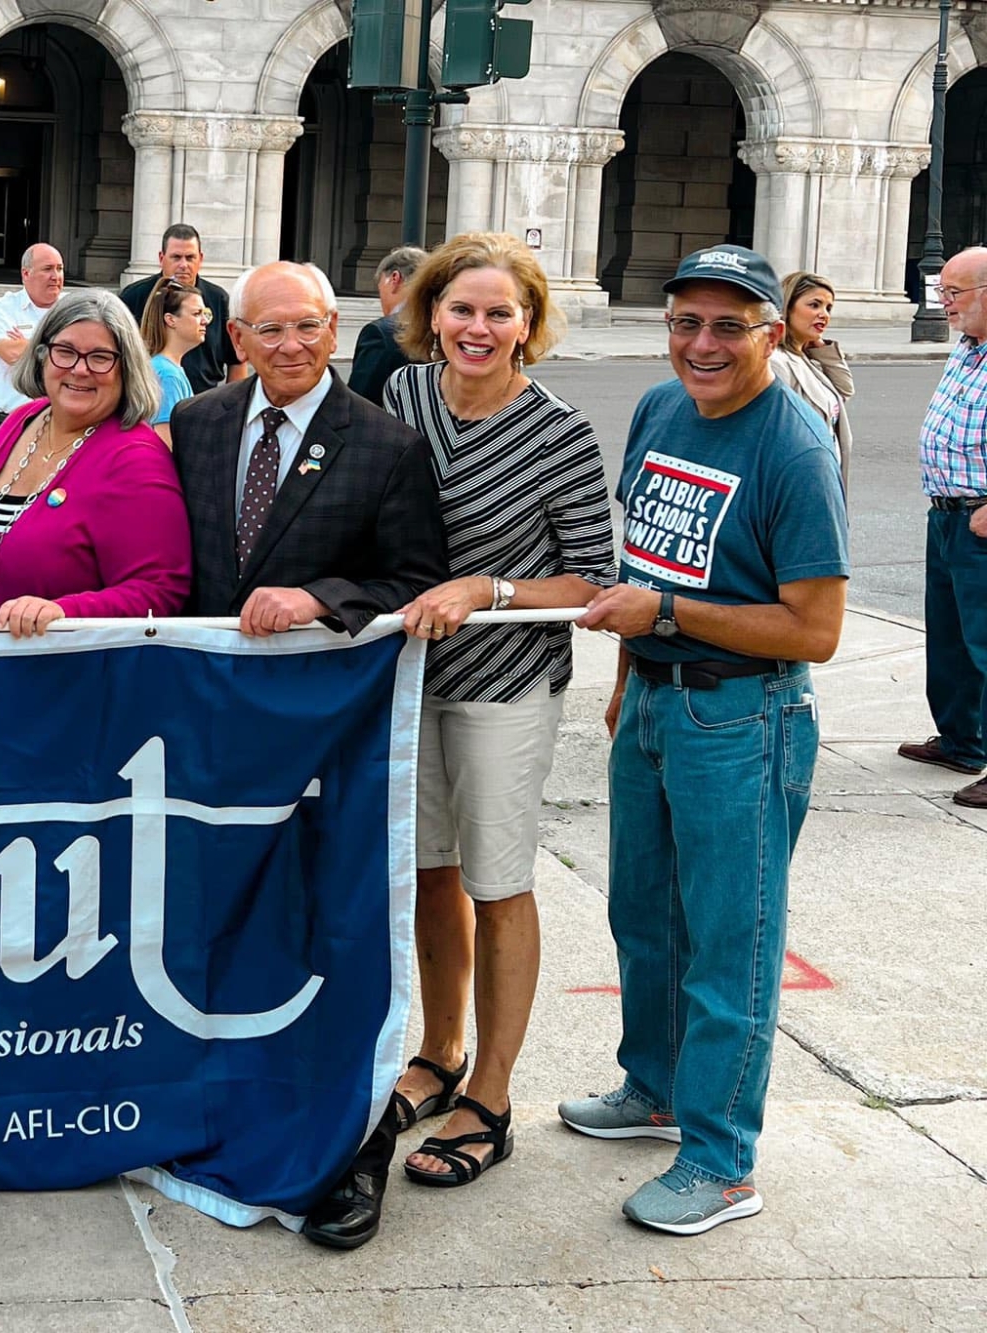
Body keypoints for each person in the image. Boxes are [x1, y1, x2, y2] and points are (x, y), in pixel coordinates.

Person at [570, 245, 848, 1236]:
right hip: (654, 700)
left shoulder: (793, 449)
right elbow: (643, 562)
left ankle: (721, 1160)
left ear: (771, 333)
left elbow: (814, 630)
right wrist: (626, 680)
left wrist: (666, 616)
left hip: (743, 716)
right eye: (685, 322)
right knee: (643, 916)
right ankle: (652, 1088)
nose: (702, 344)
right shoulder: (660, 410)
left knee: (730, 941)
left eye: (728, 326)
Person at [169, 259, 444, 1250]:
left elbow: (414, 578)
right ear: (235, 338)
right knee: (213, 926)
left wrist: (321, 599)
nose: (290, 345)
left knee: (324, 932)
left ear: (335, 330)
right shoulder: (195, 424)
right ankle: (212, 1103)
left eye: (308, 326)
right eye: (269, 329)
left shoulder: (385, 444)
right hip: (208, 730)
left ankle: (343, 1142)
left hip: (324, 737)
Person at [380, 233, 616, 1192]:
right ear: (431, 314)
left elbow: (593, 579)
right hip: (409, 676)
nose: (477, 328)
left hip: (507, 684)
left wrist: (490, 588)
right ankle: (438, 1053)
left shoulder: (558, 432)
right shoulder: (401, 395)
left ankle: (493, 1091)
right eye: (461, 309)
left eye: (499, 312)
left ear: (528, 325)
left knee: (498, 881)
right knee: (430, 872)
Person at [0, 288, 191, 633]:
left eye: (100, 357)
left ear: (126, 368)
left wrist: (64, 611)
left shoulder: (137, 459)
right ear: (42, 355)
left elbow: (160, 589)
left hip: (56, 656)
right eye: (65, 352)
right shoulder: (23, 419)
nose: (79, 369)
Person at [899, 245, 987, 807]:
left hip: (981, 518)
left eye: (953, 292)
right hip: (948, 513)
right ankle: (962, 741)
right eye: (942, 291)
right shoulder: (969, 347)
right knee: (952, 640)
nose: (943, 302)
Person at [119, 224, 241, 393]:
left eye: (190, 257)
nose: (183, 265)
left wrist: (232, 403)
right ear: (161, 258)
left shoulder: (218, 299)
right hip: (151, 396)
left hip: (204, 398)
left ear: (200, 259)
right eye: (176, 257)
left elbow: (237, 359)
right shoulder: (134, 297)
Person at [768, 270, 852, 483]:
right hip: (801, 480)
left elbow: (845, 390)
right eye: (814, 305)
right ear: (787, 308)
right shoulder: (777, 362)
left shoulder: (804, 358)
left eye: (828, 308)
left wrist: (822, 349)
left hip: (825, 474)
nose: (824, 314)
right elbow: (775, 433)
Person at [0, 243, 65, 425]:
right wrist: (60, 347)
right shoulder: (4, 307)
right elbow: (11, 354)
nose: (55, 276)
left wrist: (28, 344)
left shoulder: (73, 307)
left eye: (59, 269)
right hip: (15, 421)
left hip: (61, 421)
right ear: (26, 273)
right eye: (47, 269)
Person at [348, 245, 427, 403]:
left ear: (394, 279)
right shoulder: (443, 324)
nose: (381, 299)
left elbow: (358, 400)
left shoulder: (380, 334)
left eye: (380, 289)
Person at [139, 278, 209, 445]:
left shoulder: (166, 368)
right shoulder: (168, 375)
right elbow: (167, 444)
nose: (205, 321)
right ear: (170, 320)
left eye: (205, 313)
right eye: (196, 314)